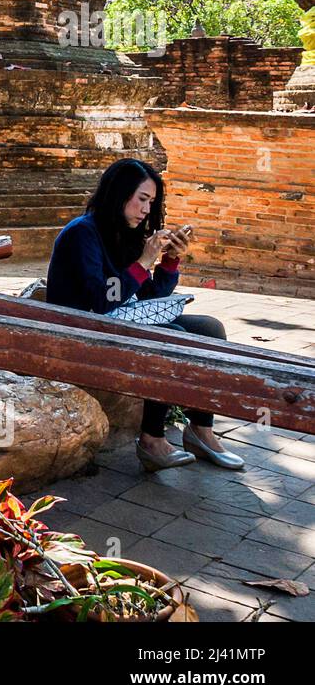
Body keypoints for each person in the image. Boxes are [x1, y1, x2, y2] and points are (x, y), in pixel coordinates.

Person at [46, 158, 245, 473]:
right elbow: (102, 299)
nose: (146, 210)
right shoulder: (82, 233)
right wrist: (143, 261)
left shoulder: (124, 232)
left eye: (151, 202)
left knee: (210, 328)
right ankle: (152, 440)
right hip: (81, 329)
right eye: (142, 199)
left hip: (116, 319)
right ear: (119, 192)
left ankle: (201, 430)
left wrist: (169, 260)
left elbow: (150, 296)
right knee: (174, 336)